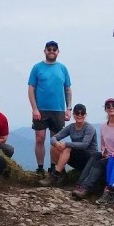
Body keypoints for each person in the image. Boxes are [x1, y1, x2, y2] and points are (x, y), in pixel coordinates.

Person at [28, 40, 72, 177]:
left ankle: (53, 168)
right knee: (40, 138)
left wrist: (69, 108)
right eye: (49, 49)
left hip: (58, 110)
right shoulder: (37, 68)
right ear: (45, 51)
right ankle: (40, 168)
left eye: (54, 49)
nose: (51, 51)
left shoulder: (63, 68)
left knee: (55, 141)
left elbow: (68, 89)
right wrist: (34, 109)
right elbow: (31, 89)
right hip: (41, 110)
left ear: (58, 52)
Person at [72, 98, 114, 199]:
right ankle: (79, 184)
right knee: (95, 155)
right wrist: (103, 151)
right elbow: (103, 145)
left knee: (100, 163)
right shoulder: (103, 126)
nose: (111, 108)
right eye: (108, 106)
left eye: (113, 106)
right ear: (105, 109)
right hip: (107, 154)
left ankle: (86, 188)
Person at [40, 103, 97, 187]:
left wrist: (66, 144)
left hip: (89, 159)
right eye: (77, 113)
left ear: (85, 115)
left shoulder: (89, 128)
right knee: (54, 148)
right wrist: (56, 143)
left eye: (82, 113)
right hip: (77, 157)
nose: (80, 115)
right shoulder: (71, 127)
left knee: (67, 148)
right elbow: (53, 138)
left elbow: (84, 144)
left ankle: (55, 175)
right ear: (73, 115)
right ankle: (62, 175)